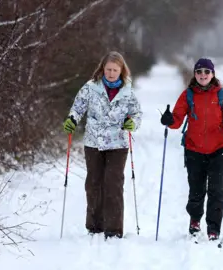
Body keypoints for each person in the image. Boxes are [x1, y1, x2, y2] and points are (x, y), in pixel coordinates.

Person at [63, 51, 142, 239]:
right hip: (93, 142)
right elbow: (78, 107)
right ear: (102, 69)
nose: (111, 73)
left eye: (115, 70)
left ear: (122, 71)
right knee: (93, 183)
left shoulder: (128, 92)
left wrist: (133, 123)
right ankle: (95, 225)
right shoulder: (91, 87)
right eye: (108, 69)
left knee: (113, 183)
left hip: (118, 143)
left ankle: (113, 229)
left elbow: (137, 114)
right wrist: (72, 119)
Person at [160, 58, 223, 241]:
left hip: (219, 149)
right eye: (199, 72)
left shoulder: (222, 95)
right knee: (196, 189)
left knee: (216, 190)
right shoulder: (188, 95)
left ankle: (214, 229)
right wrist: (169, 120)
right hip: (194, 149)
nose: (203, 75)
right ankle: (195, 220)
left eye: (206, 71)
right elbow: (177, 118)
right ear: (194, 74)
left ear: (212, 74)